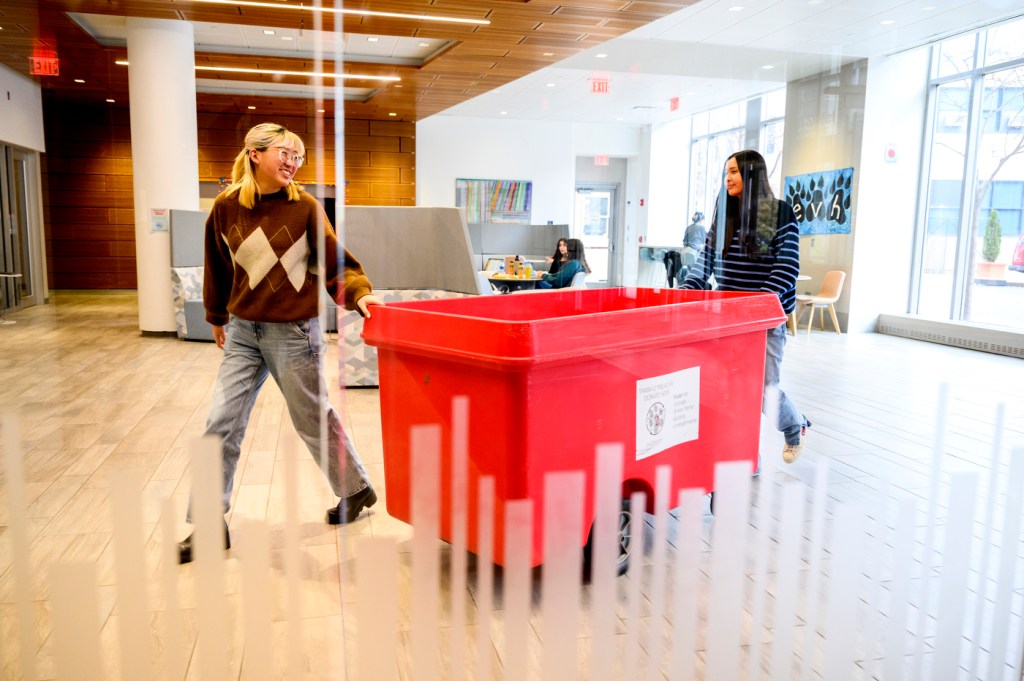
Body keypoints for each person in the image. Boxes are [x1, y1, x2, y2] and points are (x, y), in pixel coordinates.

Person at [177, 123, 384, 564]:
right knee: (221, 422)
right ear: (254, 153)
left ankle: (356, 489)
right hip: (243, 333)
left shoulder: (305, 207)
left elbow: (336, 262)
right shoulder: (226, 207)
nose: (293, 162)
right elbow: (217, 266)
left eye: (298, 156)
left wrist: (360, 293)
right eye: (284, 153)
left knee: (312, 421)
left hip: (294, 333)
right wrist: (217, 316)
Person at [680, 150, 809, 463]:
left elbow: (787, 267)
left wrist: (756, 308)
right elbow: (707, 258)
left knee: (765, 391)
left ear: (752, 174)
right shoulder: (726, 213)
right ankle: (745, 455)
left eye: (735, 171)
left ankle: (794, 427)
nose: (728, 177)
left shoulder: (778, 214)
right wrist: (688, 290)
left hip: (764, 322)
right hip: (728, 321)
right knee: (731, 392)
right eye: (726, 171)